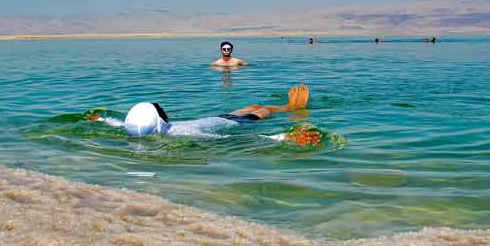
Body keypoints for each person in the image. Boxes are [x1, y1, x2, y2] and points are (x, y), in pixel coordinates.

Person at [92, 84, 320, 146]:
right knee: (263, 110)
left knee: (253, 103)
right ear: (161, 120)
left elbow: (119, 124)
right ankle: (290, 108)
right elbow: (229, 139)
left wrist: (100, 119)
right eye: (162, 112)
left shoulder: (138, 127)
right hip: (234, 123)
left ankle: (286, 107)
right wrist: (284, 137)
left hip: (219, 116)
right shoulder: (185, 132)